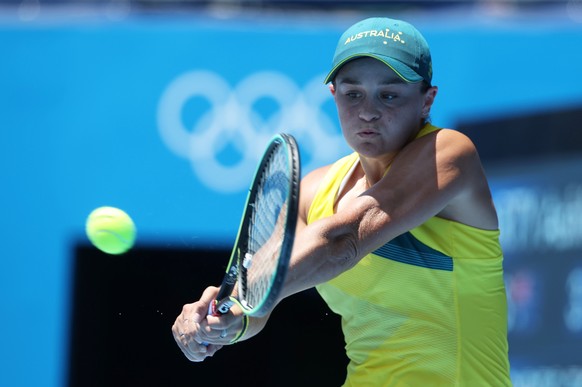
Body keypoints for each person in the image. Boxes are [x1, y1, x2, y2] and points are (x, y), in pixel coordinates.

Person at [173, 17, 512, 386]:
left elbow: (343, 240)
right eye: (353, 94)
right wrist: (220, 321)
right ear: (334, 95)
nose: (368, 111)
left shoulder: (449, 154)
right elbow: (257, 307)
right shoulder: (314, 193)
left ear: (426, 100)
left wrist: (244, 297)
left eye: (390, 94)